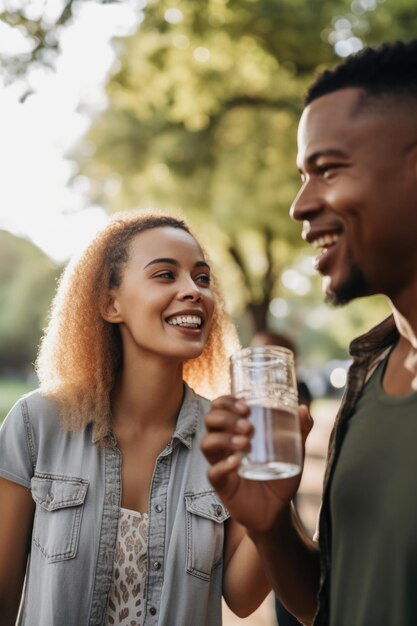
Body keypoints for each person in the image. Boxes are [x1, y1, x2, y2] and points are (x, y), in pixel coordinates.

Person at [200, 38, 417, 626]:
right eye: (302, 176)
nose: (300, 205)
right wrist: (271, 526)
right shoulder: (370, 374)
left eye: (327, 170)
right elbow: (334, 601)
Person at [0, 210, 271, 625]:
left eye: (202, 278)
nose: (193, 291)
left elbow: (243, 598)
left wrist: (276, 494)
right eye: (165, 275)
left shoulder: (228, 435)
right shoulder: (36, 424)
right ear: (111, 303)